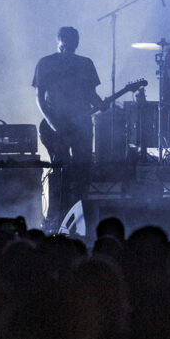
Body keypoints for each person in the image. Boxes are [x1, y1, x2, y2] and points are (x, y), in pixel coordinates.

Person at [33, 26, 106, 223]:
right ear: (59, 42)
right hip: (55, 126)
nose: (68, 48)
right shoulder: (46, 63)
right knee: (61, 171)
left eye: (72, 44)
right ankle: (56, 219)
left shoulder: (85, 63)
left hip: (81, 125)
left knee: (83, 170)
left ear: (77, 43)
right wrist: (52, 123)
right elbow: (39, 97)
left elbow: (91, 94)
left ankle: (79, 219)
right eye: (65, 43)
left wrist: (100, 103)